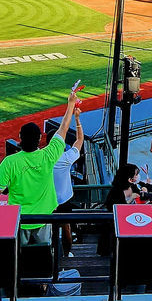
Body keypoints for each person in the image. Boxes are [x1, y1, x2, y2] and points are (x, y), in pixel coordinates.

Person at [0, 87, 78, 244]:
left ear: (20, 137)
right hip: (44, 216)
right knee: (43, 254)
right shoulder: (49, 155)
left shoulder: (10, 162)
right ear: (40, 138)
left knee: (21, 254)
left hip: (20, 218)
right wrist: (71, 104)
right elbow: (64, 128)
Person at [51, 108, 85, 252]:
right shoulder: (65, 158)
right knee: (66, 228)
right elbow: (80, 140)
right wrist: (77, 119)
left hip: (46, 200)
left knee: (46, 229)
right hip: (63, 200)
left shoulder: (41, 157)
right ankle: (66, 255)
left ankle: (51, 254)